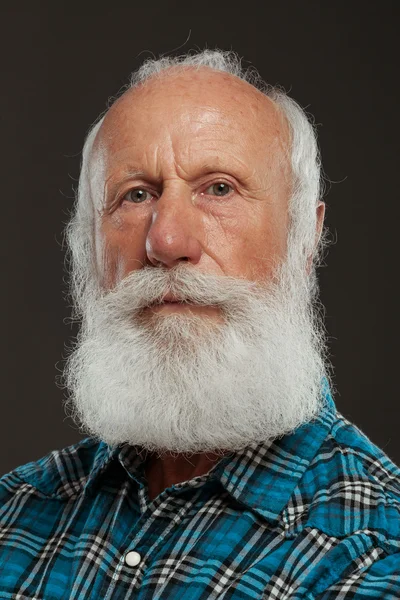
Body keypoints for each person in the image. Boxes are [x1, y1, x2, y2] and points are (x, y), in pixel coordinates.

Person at [0, 49, 399, 599]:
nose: (166, 241)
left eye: (219, 188)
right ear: (85, 244)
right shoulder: (13, 515)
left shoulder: (374, 555)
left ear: (305, 236)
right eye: (135, 195)